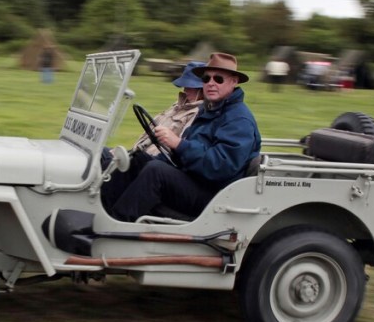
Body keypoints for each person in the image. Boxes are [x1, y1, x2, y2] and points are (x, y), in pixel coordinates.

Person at [101, 52, 261, 222]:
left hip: (213, 194)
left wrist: (179, 144)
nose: (211, 83)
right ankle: (102, 212)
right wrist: (161, 153)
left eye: (218, 79)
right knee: (136, 160)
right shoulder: (209, 110)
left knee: (155, 171)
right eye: (206, 79)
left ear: (233, 81)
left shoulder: (239, 119)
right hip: (195, 179)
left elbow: (220, 167)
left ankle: (116, 225)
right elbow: (183, 154)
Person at [131, 61, 205, 158]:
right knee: (105, 155)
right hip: (139, 151)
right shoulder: (177, 105)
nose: (185, 90)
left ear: (202, 89)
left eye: (190, 86)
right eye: (185, 85)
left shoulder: (198, 113)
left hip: (155, 159)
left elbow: (180, 146)